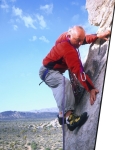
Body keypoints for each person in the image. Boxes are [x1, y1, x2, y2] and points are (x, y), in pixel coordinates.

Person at [39, 26, 111, 131]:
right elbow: (79, 73)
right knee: (63, 84)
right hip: (48, 72)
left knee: (60, 88)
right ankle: (69, 118)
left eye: (81, 40)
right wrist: (91, 88)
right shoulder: (68, 50)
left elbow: (83, 39)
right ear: (69, 36)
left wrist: (97, 36)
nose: (80, 44)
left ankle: (61, 116)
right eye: (78, 40)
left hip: (50, 70)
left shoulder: (67, 37)